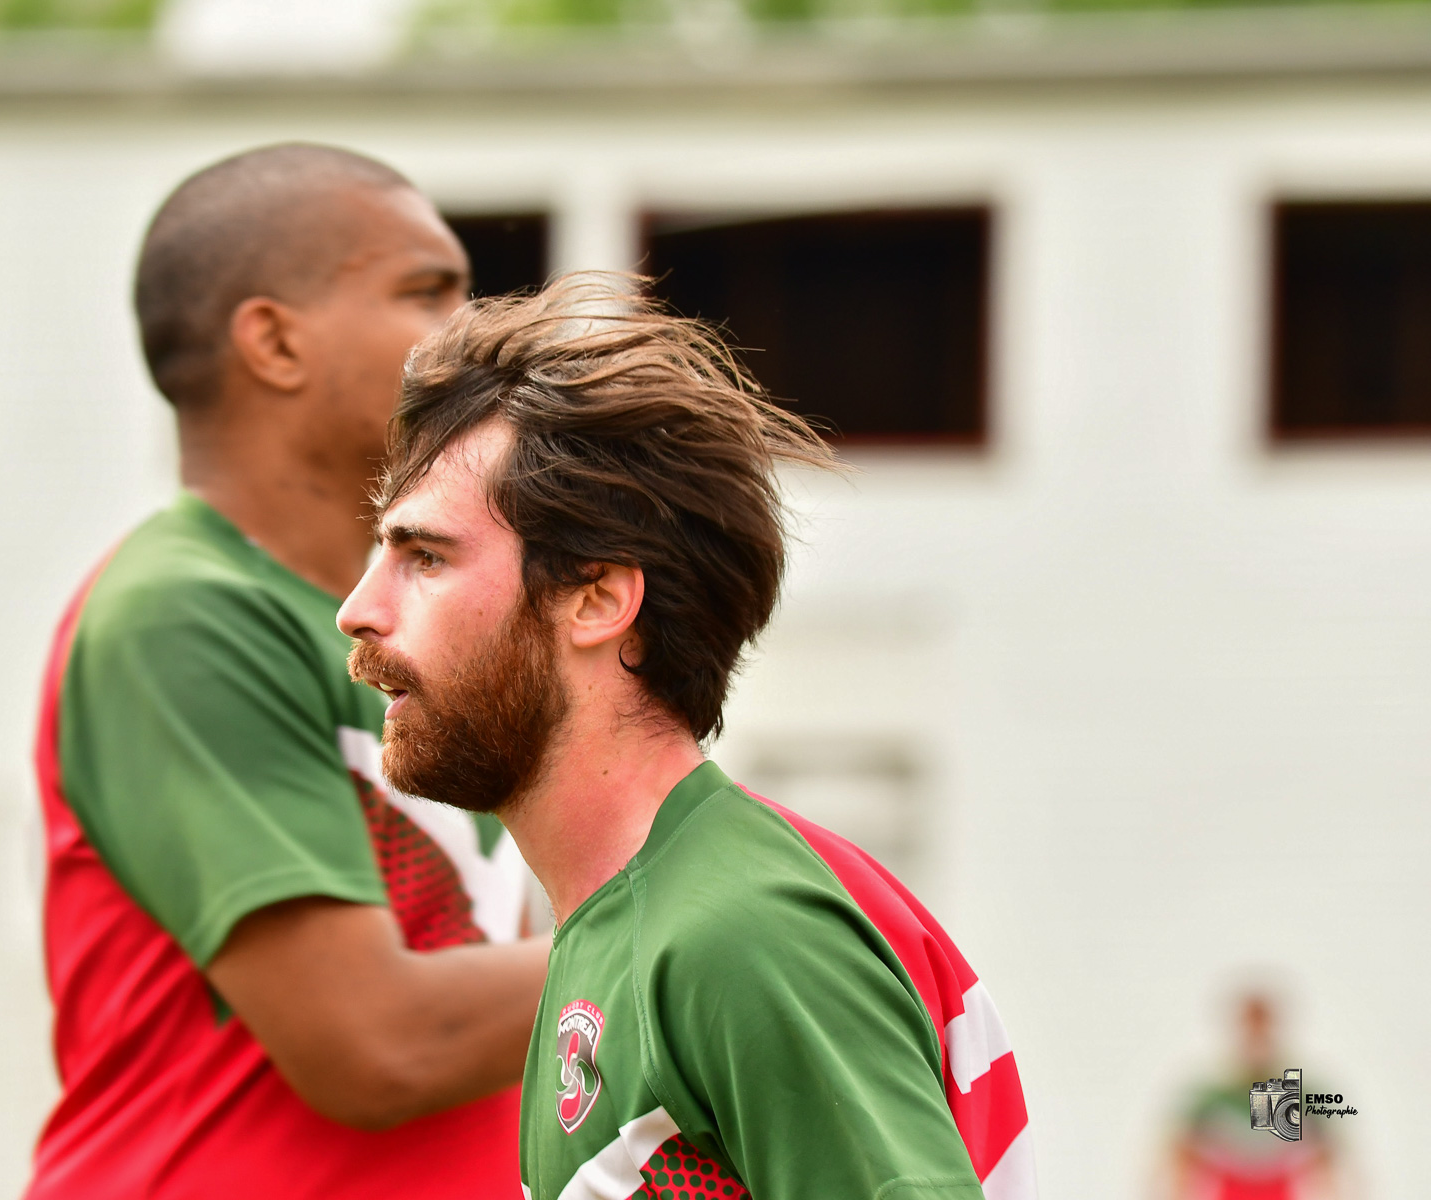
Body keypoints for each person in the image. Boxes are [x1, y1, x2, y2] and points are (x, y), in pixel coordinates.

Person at [337, 274, 1037, 1200]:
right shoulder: (623, 926)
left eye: (424, 556)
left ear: (596, 599)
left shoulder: (740, 934)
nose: (358, 611)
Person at [25, 144, 548, 1200]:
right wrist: (708, 946)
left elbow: (510, 991)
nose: (475, 327)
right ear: (273, 340)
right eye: (427, 291)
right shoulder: (185, 612)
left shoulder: (428, 623)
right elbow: (375, 1044)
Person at [1166, 990, 1349, 1200]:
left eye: (1262, 1025)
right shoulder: (1214, 1098)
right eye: (1250, 1025)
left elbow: (1331, 1164)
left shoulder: (1302, 1094)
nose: (1256, 1035)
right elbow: (1178, 1163)